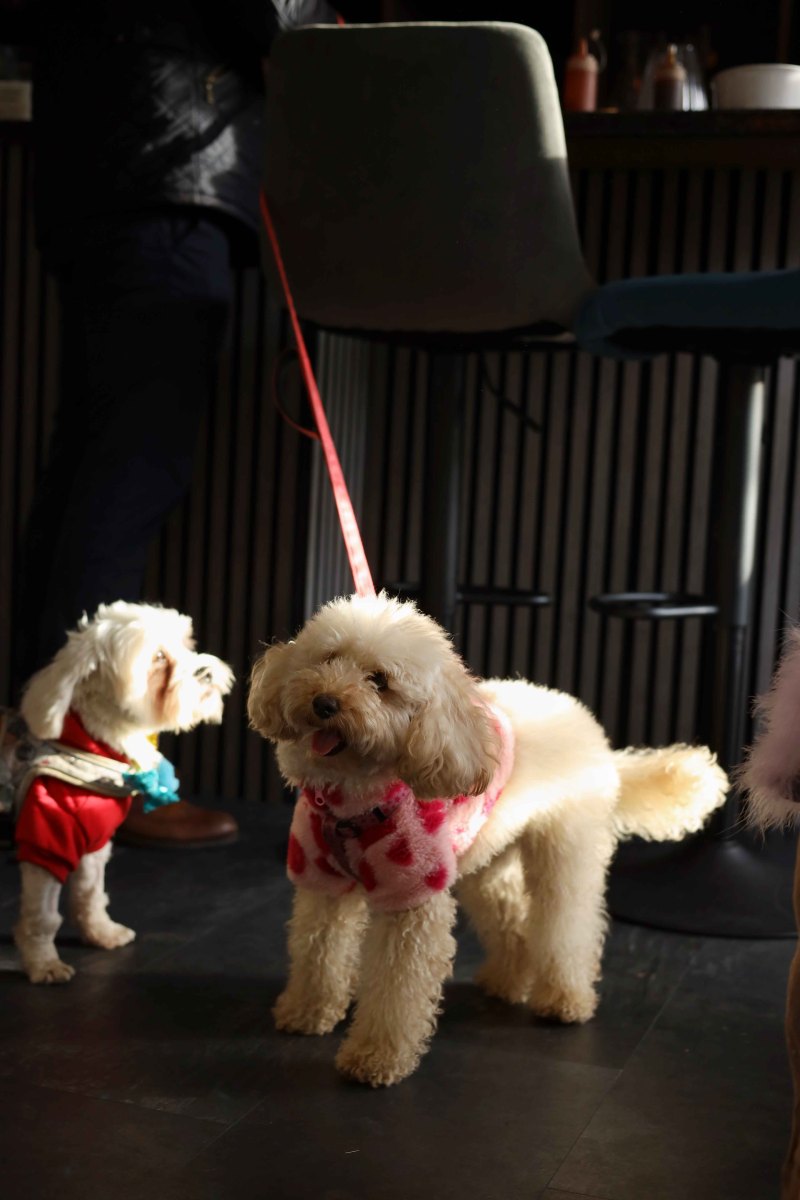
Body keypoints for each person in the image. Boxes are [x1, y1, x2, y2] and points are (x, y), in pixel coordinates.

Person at [12, 0, 340, 846]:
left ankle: (36, 760)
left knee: (91, 466)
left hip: (103, 164)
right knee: (129, 471)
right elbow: (276, 14)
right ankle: (82, 772)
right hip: (164, 167)